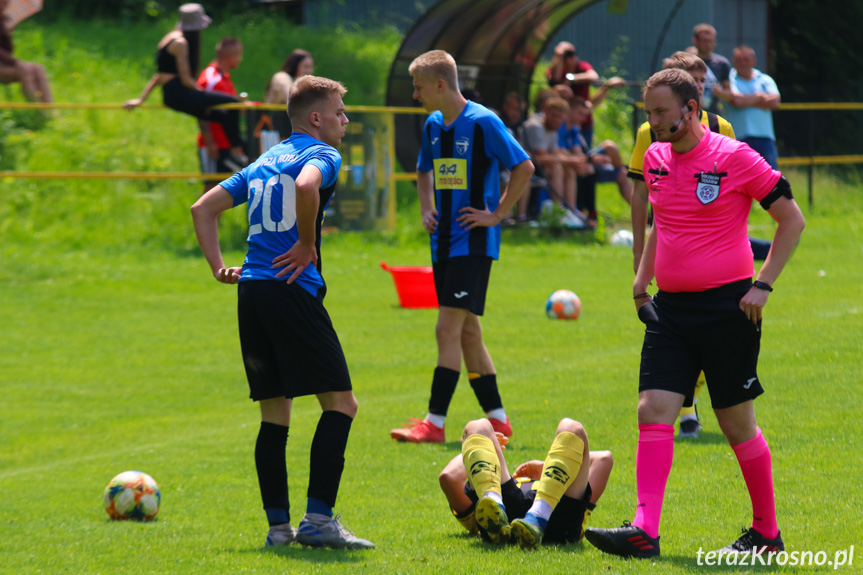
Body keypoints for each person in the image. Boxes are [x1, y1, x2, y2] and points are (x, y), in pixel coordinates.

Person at [585, 68, 805, 559]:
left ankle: (766, 534)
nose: (653, 122)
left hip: (728, 308)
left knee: (735, 424)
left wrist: (762, 285)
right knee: (653, 409)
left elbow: (791, 220)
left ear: (691, 108)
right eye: (648, 113)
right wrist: (642, 282)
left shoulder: (735, 157)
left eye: (661, 112)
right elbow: (664, 223)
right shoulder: (657, 157)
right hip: (670, 310)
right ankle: (645, 528)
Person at [190, 75, 374, 550]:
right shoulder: (322, 155)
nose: (345, 121)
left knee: (276, 413)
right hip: (290, 288)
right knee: (341, 404)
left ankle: (278, 530)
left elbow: (202, 209)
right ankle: (318, 520)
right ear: (316, 119)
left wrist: (217, 268)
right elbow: (308, 186)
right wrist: (306, 245)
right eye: (339, 113)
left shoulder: (264, 159)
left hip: (251, 292)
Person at [389, 50, 534, 443]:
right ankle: (499, 420)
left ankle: (434, 423)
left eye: (419, 88)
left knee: (446, 328)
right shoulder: (434, 125)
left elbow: (523, 166)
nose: (415, 95)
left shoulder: (484, 121)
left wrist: (498, 213)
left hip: (473, 241)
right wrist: (426, 209)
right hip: (443, 243)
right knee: (468, 332)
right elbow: (423, 170)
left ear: (439, 84)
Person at [627, 52, 736, 437]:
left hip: (717, 269)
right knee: (673, 343)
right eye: (692, 78)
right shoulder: (651, 133)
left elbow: (735, 191)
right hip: (670, 256)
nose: (700, 86)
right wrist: (640, 255)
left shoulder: (722, 127)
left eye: (702, 80)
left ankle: (690, 401)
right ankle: (685, 406)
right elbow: (642, 196)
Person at [440, 417, 613, 548]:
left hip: (557, 510)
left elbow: (604, 458)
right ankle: (498, 504)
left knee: (571, 427)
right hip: (506, 518)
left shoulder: (555, 479)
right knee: (478, 426)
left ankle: (537, 516)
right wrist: (476, 446)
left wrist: (546, 467)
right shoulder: (483, 506)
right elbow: (448, 477)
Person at [124, 3, 247, 171]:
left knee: (222, 115)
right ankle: (236, 150)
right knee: (233, 102)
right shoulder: (181, 43)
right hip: (179, 94)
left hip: (172, 95)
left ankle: (234, 152)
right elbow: (186, 78)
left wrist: (141, 99)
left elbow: (158, 76)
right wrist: (202, 94)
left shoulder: (168, 38)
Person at [559, 95, 633, 222]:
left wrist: (590, 159)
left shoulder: (575, 130)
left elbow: (578, 155)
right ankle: (584, 212)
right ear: (570, 110)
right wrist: (590, 160)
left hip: (583, 162)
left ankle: (643, 213)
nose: (583, 118)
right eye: (580, 114)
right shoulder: (561, 127)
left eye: (585, 115)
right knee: (589, 166)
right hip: (573, 165)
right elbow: (562, 154)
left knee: (621, 174)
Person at [520, 96, 588, 223]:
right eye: (553, 115)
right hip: (527, 165)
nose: (556, 120)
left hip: (539, 165)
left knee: (569, 168)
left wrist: (574, 161)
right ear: (545, 111)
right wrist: (569, 160)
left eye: (559, 117)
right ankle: (559, 209)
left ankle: (572, 209)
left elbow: (555, 153)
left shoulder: (553, 127)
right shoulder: (536, 126)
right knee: (557, 167)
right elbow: (539, 157)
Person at [715, 46, 781, 169]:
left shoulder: (765, 79)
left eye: (746, 59)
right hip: (738, 138)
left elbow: (775, 102)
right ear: (733, 61)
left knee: (770, 177)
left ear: (754, 61)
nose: (743, 63)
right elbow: (736, 101)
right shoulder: (729, 80)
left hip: (765, 137)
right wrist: (760, 97)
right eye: (739, 60)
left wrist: (747, 100)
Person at [196, 37, 243, 194]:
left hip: (226, 143)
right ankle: (203, 218)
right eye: (239, 55)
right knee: (211, 187)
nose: (240, 59)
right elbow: (201, 110)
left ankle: (213, 219)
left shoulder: (225, 77)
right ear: (230, 57)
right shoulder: (211, 79)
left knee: (222, 189)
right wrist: (210, 143)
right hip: (214, 144)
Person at [0, 0, 53, 103]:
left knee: (38, 69)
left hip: (3, 65)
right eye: (2, 2)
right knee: (25, 71)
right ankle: (38, 111)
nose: (4, 6)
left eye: (6, 3)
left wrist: (6, 34)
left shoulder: (3, 21)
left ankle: (50, 109)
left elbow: (9, 50)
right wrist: (16, 62)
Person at [692, 23, 732, 114]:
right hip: (690, 114)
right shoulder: (688, 61)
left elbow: (729, 94)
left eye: (712, 41)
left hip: (712, 114)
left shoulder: (722, 63)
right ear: (695, 41)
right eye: (705, 41)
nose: (709, 45)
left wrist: (720, 93)